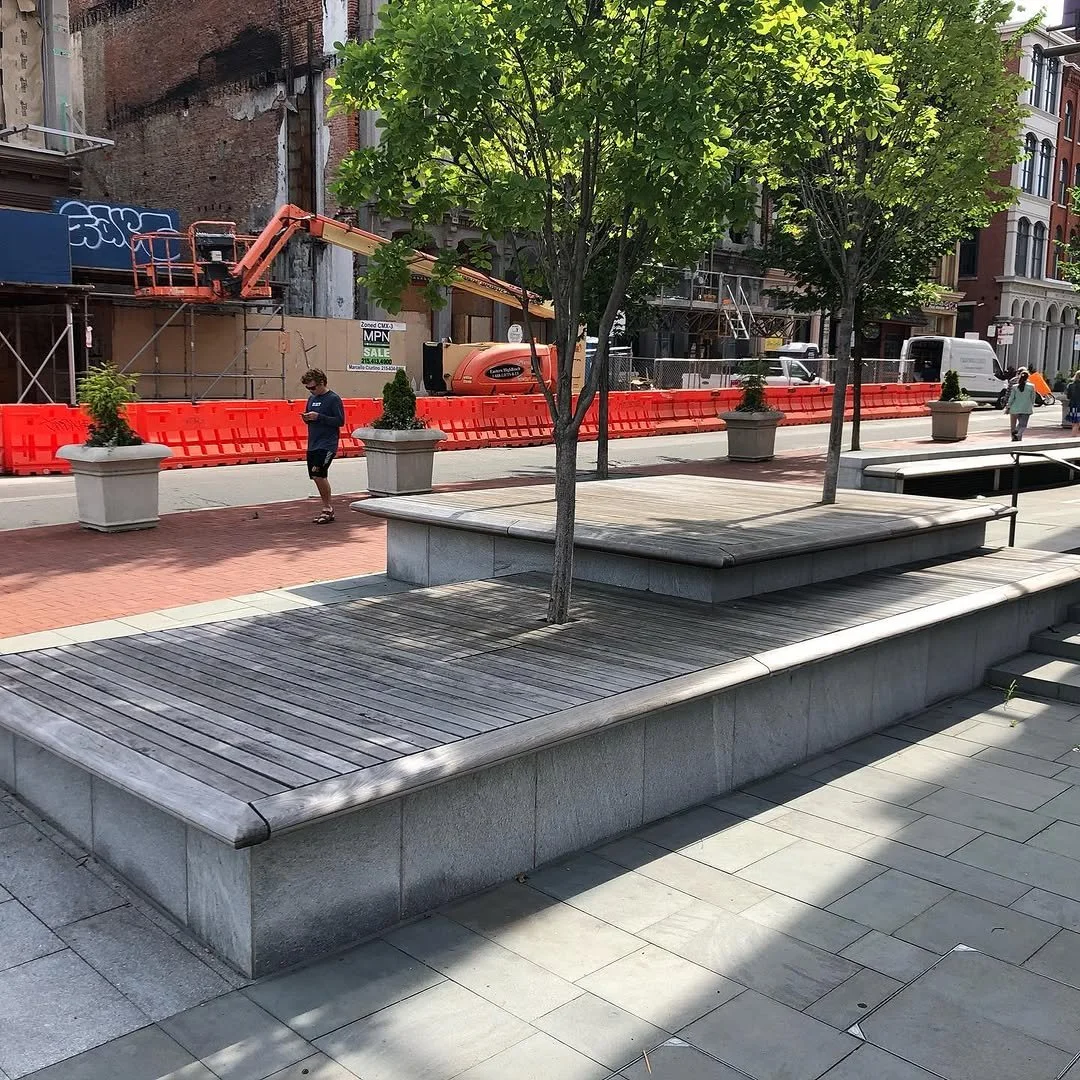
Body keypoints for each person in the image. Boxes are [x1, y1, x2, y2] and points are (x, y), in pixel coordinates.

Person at [301, 368, 345, 524]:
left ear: (321, 383)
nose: (311, 391)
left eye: (313, 387)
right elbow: (310, 417)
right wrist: (307, 418)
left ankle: (327, 508)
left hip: (327, 443)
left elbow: (340, 421)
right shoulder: (311, 400)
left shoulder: (333, 399)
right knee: (316, 476)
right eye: (308, 388)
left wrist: (319, 417)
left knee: (319, 473)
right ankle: (326, 506)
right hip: (313, 442)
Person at [1006, 367, 1036, 442]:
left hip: (1015, 408)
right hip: (1026, 408)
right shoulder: (1031, 386)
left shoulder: (1015, 386)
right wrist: (1032, 404)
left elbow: (1011, 398)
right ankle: (1017, 434)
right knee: (1023, 424)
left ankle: (1015, 434)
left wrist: (1008, 406)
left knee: (1017, 423)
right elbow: (1033, 398)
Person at [1068, 371, 1080, 437]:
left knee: (1074, 421)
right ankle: (1074, 435)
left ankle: (1074, 434)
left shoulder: (1070, 385)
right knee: (1077, 422)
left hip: (1073, 405)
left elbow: (1068, 396)